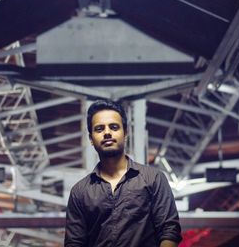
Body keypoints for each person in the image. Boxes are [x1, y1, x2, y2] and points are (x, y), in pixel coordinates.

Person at [65, 99, 182, 247]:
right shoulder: (79, 192)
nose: (107, 133)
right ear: (91, 139)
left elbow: (169, 230)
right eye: (99, 129)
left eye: (114, 127)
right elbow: (74, 242)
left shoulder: (153, 178)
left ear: (125, 132)